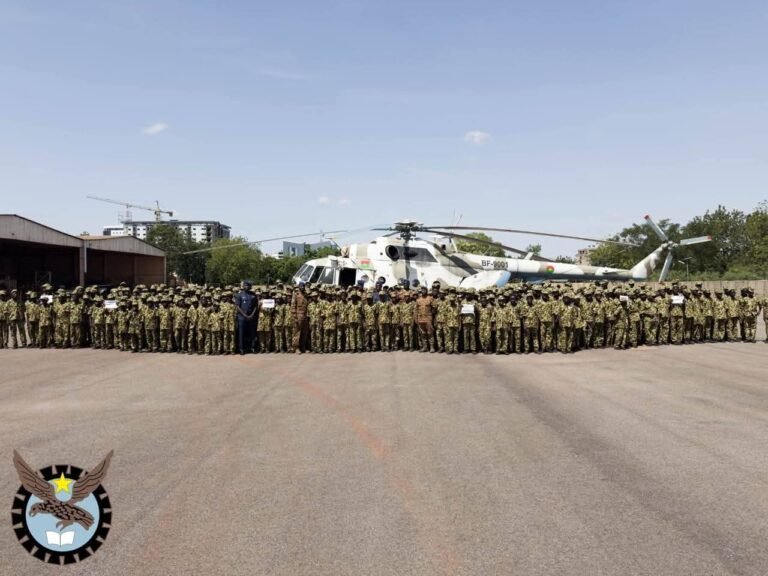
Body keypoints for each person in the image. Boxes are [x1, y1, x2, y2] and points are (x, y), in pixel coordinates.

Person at [234, 282, 256, 354]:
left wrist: (252, 314)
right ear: (243, 286)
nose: (246, 287)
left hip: (251, 317)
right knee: (241, 333)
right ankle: (241, 348)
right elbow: (237, 307)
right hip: (242, 317)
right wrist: (245, 315)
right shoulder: (239, 295)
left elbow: (255, 306)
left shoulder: (253, 295)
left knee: (252, 333)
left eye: (248, 285)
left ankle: (252, 347)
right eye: (245, 285)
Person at [291, 282, 310, 353]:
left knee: (305, 332)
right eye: (301, 286)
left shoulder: (305, 294)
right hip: (298, 315)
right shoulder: (296, 294)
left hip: (305, 315)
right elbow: (293, 305)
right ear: (299, 287)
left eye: (303, 286)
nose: (302, 287)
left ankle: (303, 347)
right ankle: (296, 348)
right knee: (297, 332)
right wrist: (294, 316)